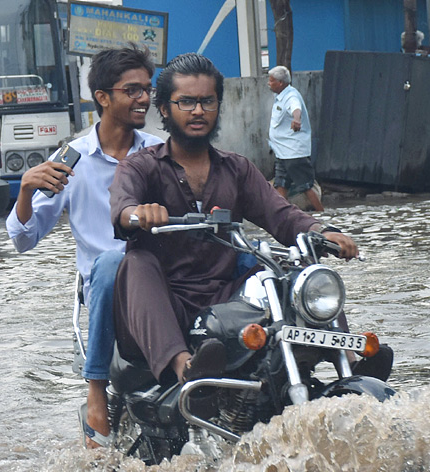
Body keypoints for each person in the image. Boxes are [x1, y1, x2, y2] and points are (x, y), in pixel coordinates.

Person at [109, 53, 359, 385]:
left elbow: (280, 214)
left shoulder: (236, 168)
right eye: (186, 102)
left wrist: (321, 230)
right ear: (166, 109)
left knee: (296, 270)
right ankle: (185, 366)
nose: (198, 111)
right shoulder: (140, 166)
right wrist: (138, 214)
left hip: (226, 299)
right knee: (136, 262)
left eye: (207, 102)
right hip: (162, 302)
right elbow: (122, 206)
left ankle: (349, 360)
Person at [6, 43, 163, 447]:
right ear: (102, 98)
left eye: (147, 89)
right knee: (112, 261)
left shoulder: (158, 152)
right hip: (105, 287)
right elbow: (23, 239)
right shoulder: (72, 158)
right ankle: (96, 391)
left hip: (162, 278)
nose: (143, 98)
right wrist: (25, 189)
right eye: (132, 90)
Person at [266, 65, 324, 213]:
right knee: (281, 184)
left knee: (306, 185)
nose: (268, 83)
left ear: (280, 83)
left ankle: (323, 214)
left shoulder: (291, 96)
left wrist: (296, 120)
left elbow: (295, 108)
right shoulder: (280, 96)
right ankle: (280, 215)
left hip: (294, 152)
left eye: (271, 80)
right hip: (282, 151)